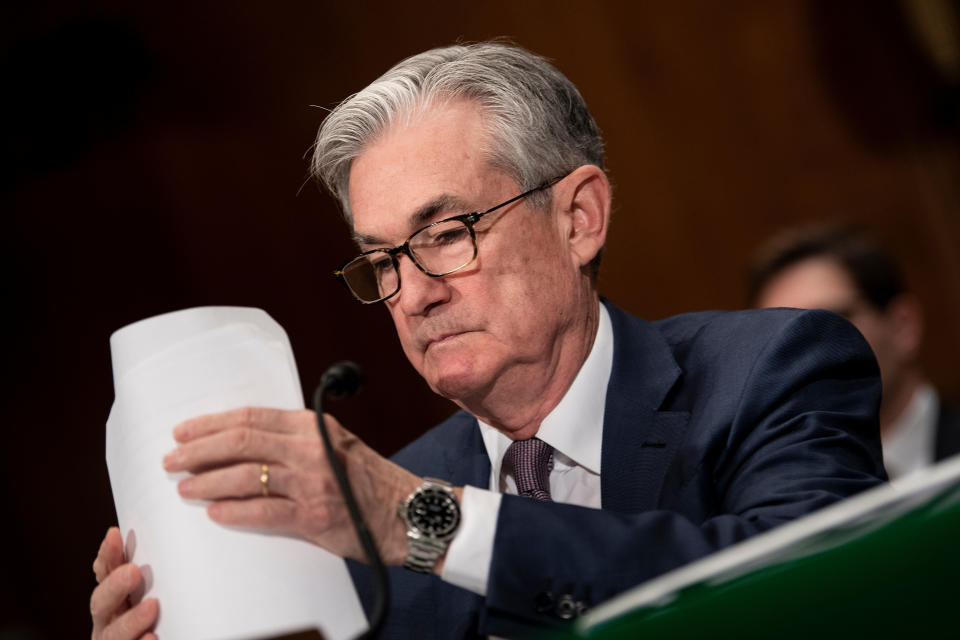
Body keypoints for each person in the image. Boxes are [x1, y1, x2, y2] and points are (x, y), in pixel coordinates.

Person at [91, 42, 886, 640]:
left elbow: (811, 597)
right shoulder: (375, 507)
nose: (416, 293)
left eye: (447, 232)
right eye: (382, 260)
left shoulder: (775, 370)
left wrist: (425, 524)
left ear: (579, 218)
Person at [749, 222, 960, 480]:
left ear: (903, 326)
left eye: (834, 322)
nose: (809, 352)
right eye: (784, 336)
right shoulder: (774, 499)